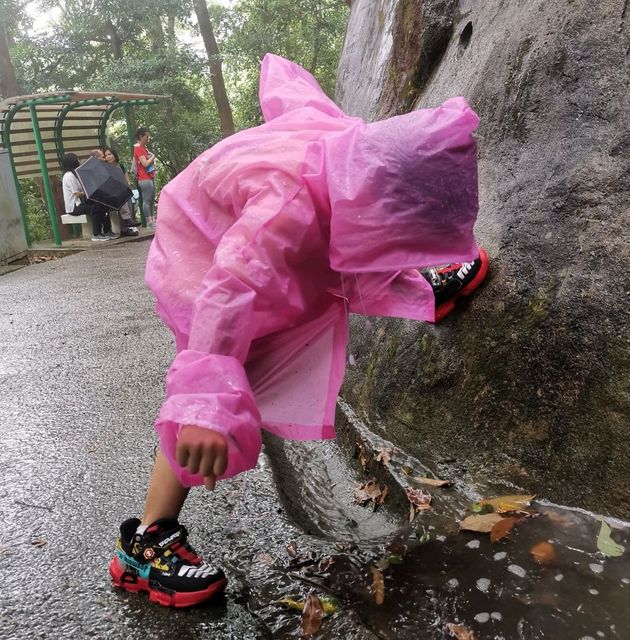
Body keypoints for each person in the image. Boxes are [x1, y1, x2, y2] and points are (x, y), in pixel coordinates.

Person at [109, 54, 489, 607]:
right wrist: (204, 408)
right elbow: (227, 291)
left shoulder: (348, 148)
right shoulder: (282, 215)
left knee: (331, 253)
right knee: (235, 367)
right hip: (201, 248)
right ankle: (145, 543)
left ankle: (421, 287)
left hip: (252, 223)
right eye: (405, 237)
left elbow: (295, 97)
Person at [61, 153, 111, 242]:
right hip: (74, 207)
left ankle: (107, 231)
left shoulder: (75, 174)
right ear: (72, 162)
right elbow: (77, 194)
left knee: (101, 204)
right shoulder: (69, 176)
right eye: (77, 159)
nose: (79, 161)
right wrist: (89, 191)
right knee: (95, 209)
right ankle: (96, 234)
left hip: (80, 203)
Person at [104, 147, 140, 237]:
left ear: (114, 155)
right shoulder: (105, 168)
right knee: (122, 197)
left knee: (128, 197)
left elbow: (127, 180)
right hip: (111, 193)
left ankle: (126, 228)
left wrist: (127, 187)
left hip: (122, 190)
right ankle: (128, 220)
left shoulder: (121, 166)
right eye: (106, 155)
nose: (108, 157)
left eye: (110, 154)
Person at [132, 127, 156, 228]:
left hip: (148, 177)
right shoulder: (138, 148)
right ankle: (149, 222)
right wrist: (153, 157)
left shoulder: (143, 148)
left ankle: (152, 221)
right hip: (144, 178)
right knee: (146, 201)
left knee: (150, 200)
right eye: (147, 137)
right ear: (141, 136)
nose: (148, 138)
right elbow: (145, 164)